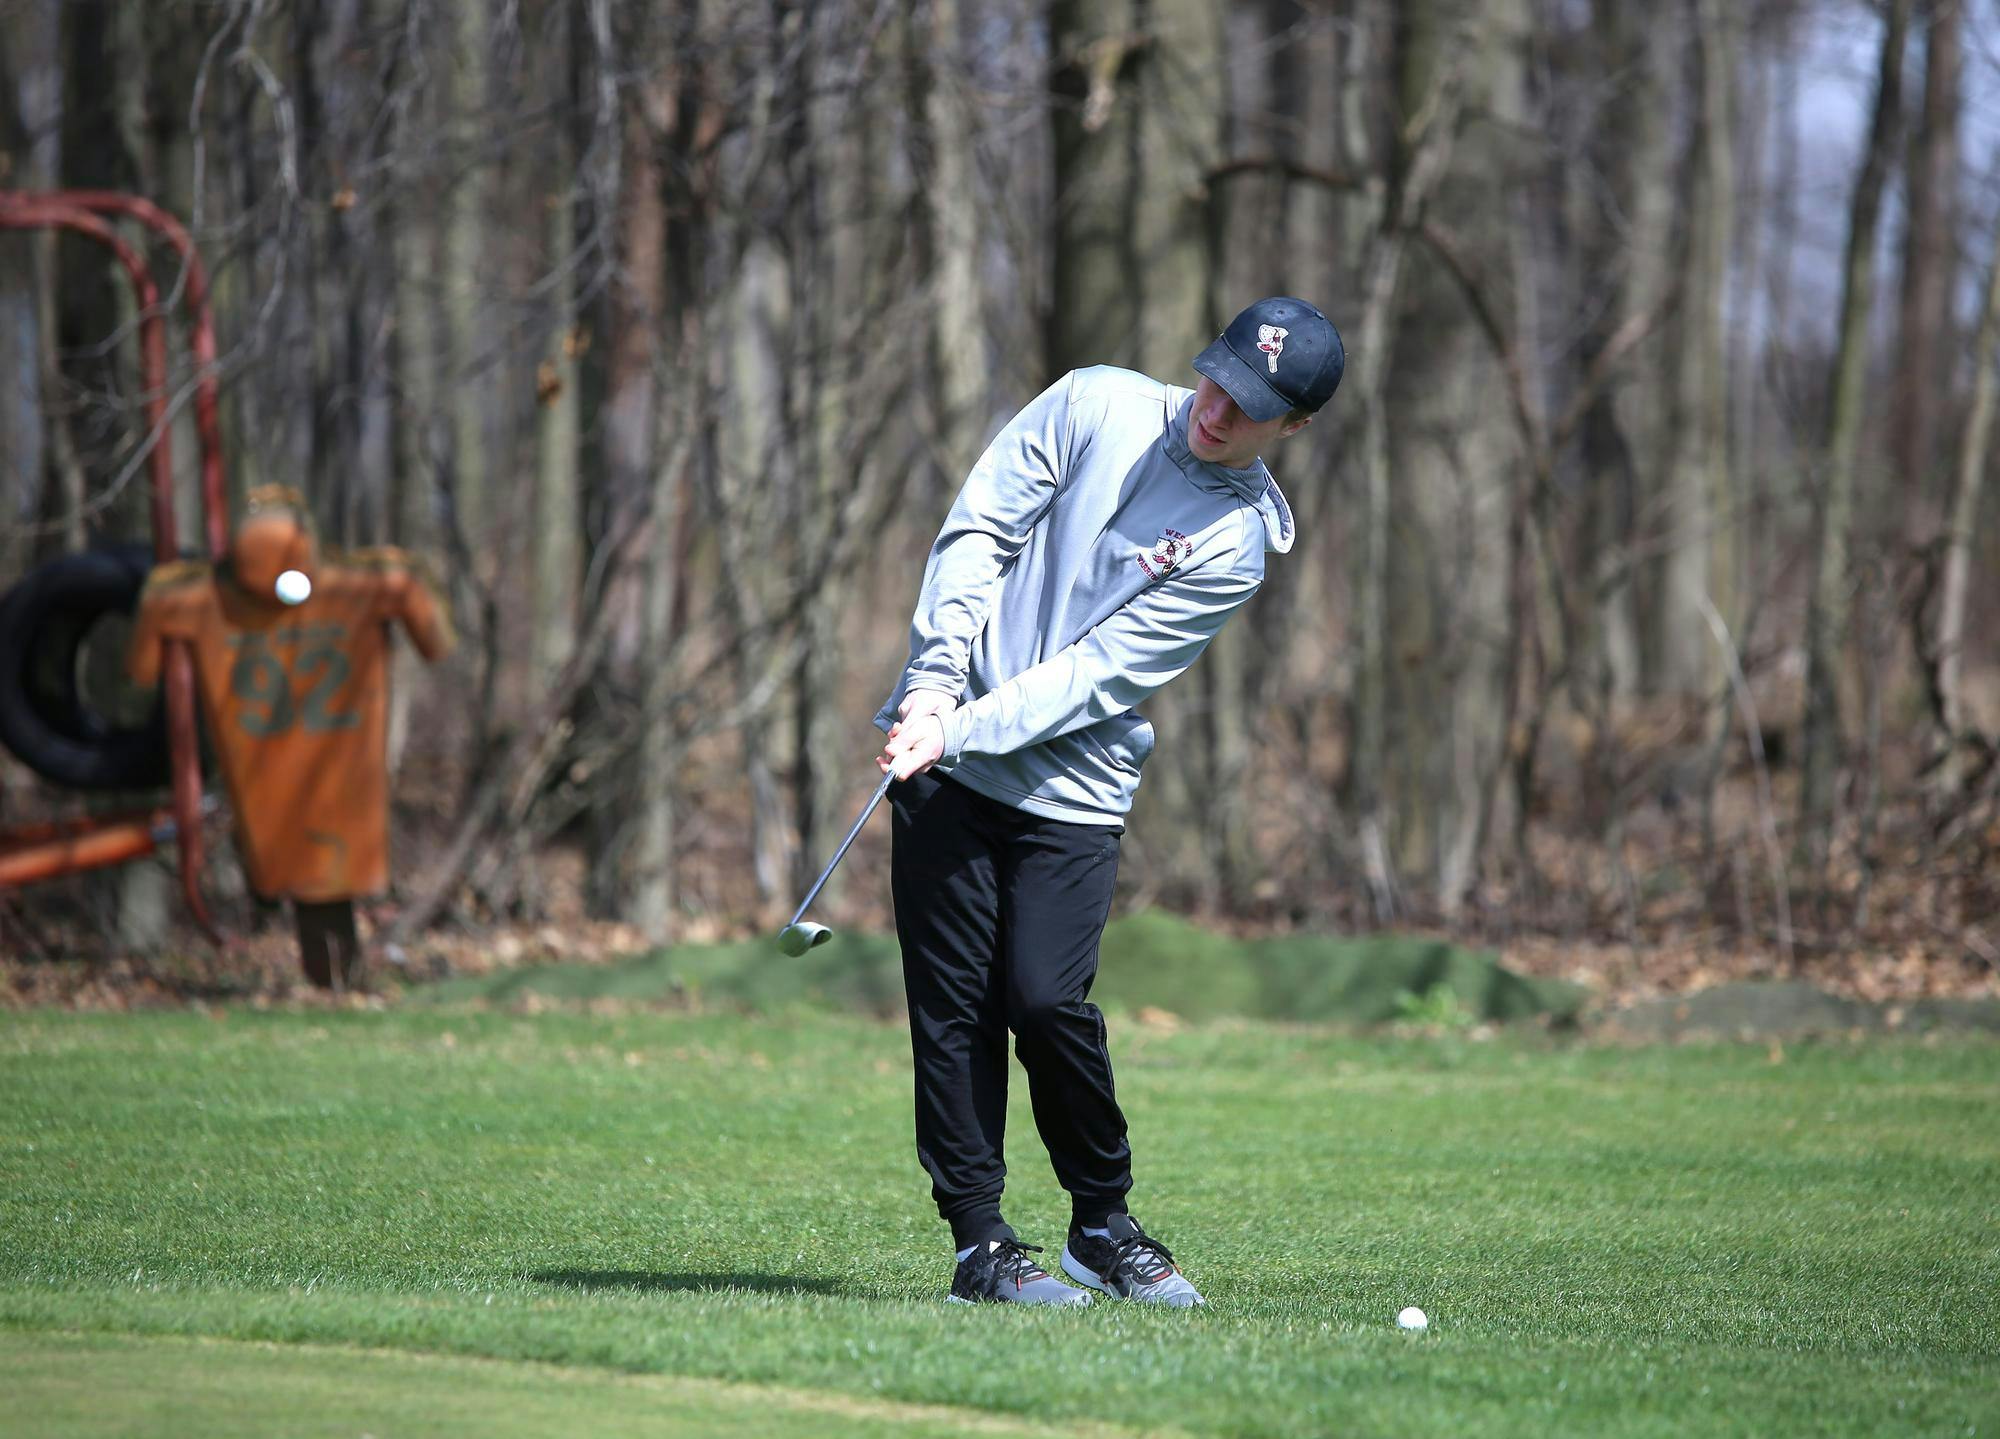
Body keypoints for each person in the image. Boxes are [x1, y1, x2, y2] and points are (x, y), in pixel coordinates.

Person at [873, 297, 1344, 1306]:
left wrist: (958, 724)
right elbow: (977, 530)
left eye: (1251, 406)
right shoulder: (1094, 403)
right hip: (943, 754)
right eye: (1217, 378)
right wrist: (931, 683)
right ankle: (980, 1248)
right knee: (953, 1010)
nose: (1218, 409)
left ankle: (1100, 1222)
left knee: (1045, 998)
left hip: (1070, 787)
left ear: (1290, 428)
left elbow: (1094, 672)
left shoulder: (1234, 542)